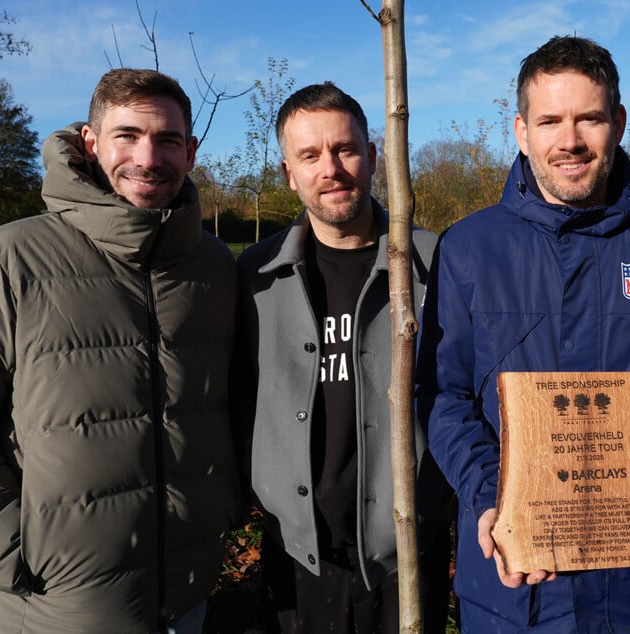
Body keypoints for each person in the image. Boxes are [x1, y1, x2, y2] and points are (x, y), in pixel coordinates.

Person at [0, 68, 245, 633]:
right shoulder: (11, 260)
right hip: (46, 611)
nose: (148, 156)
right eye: (127, 135)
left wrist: (223, 505)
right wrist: (6, 546)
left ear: (192, 152)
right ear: (90, 141)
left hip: (186, 599)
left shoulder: (214, 268)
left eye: (168, 140)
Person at [416, 36, 630, 632]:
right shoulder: (469, 249)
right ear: (520, 130)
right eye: (550, 120)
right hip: (519, 595)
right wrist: (491, 500)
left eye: (590, 118)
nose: (571, 140)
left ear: (619, 122)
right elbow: (444, 394)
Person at [232, 81, 452, 633]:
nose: (329, 168)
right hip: (298, 558)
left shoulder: (436, 266)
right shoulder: (255, 278)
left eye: (345, 149)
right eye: (309, 155)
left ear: (373, 156)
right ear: (289, 172)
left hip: (406, 555)